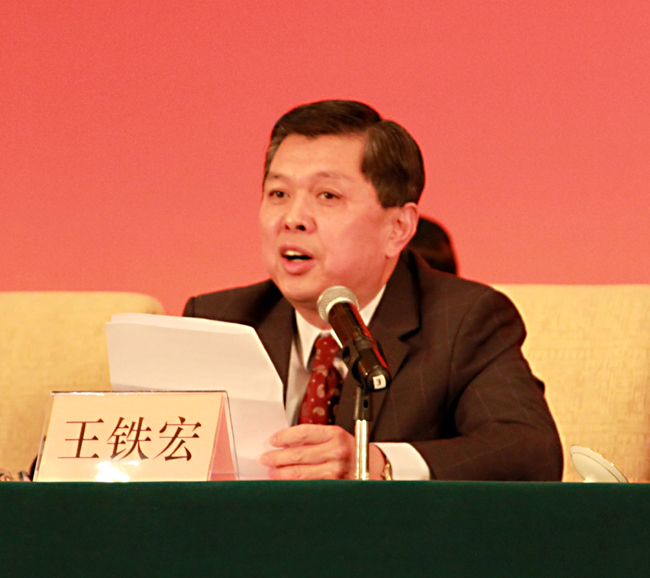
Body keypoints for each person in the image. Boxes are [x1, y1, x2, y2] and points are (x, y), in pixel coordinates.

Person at [184, 99, 563, 481]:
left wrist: (377, 463)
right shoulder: (218, 321)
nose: (293, 219)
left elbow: (529, 450)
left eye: (328, 196)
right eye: (278, 194)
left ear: (397, 228)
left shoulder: (463, 321)